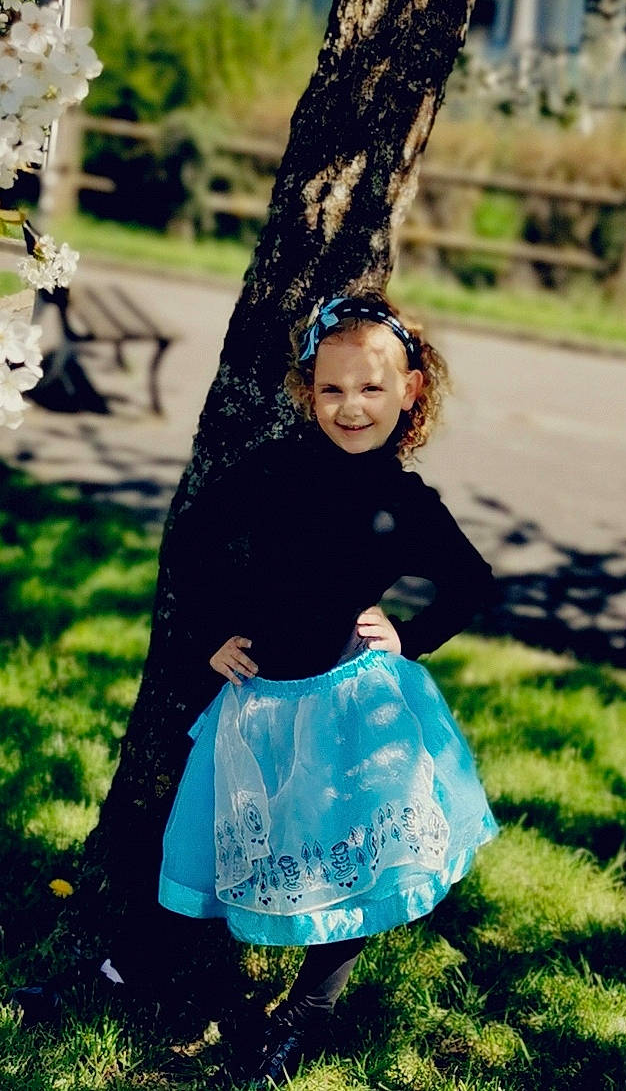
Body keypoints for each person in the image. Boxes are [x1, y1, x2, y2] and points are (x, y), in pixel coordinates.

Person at [158, 290, 499, 1087]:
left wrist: (411, 636)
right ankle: (153, 966)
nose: (351, 408)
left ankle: (308, 1010)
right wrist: (212, 633)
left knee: (358, 854)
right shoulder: (272, 470)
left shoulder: (405, 503)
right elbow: (195, 540)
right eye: (332, 389)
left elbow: (471, 582)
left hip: (356, 706)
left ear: (411, 390)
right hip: (263, 702)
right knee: (267, 839)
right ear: (307, 391)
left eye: (373, 389)